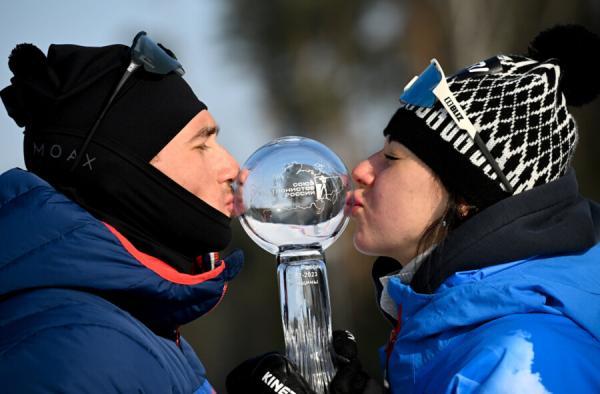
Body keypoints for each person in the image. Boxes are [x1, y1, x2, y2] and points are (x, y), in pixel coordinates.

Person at [227, 24, 600, 393]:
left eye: (391, 157)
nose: (361, 170)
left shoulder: (519, 359)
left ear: (467, 196)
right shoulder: (459, 332)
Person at [0, 32, 242, 393]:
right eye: (202, 143)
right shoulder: (79, 355)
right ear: (123, 172)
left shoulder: (136, 325)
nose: (232, 166)